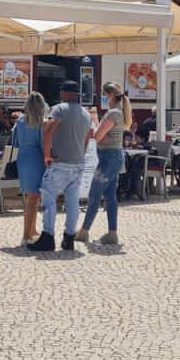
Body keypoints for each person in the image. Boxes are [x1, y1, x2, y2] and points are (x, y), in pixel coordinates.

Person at [28, 81, 91, 252]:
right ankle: (69, 238)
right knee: (72, 202)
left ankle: (48, 237)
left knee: (49, 199)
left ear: (63, 93)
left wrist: (47, 154)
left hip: (59, 162)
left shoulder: (59, 109)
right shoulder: (86, 114)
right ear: (78, 95)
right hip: (78, 163)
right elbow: (87, 137)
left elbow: (48, 129)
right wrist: (81, 154)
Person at [78, 82, 130, 246]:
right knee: (110, 196)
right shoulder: (119, 113)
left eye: (103, 94)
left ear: (110, 96)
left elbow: (98, 136)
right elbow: (106, 134)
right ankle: (112, 233)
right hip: (114, 157)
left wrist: (92, 125)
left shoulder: (112, 113)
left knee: (94, 193)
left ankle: (84, 231)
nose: (102, 97)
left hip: (108, 158)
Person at [11, 92, 48, 246]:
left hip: (23, 158)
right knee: (34, 199)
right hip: (37, 159)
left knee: (30, 198)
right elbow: (43, 144)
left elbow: (15, 140)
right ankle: (26, 236)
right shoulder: (42, 123)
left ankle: (32, 230)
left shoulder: (20, 121)